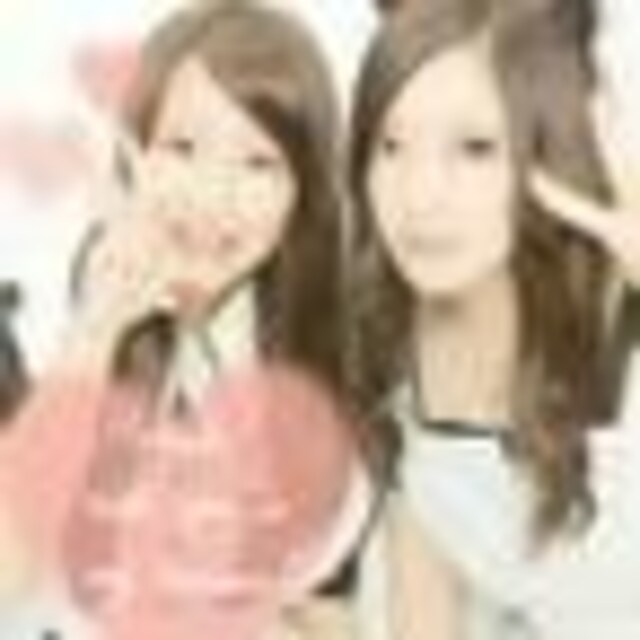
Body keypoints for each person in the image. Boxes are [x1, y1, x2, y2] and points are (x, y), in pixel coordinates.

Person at [0, 2, 372, 638]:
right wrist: (95, 332)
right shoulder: (97, 312)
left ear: (302, 191)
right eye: (183, 148)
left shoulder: (333, 346)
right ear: (134, 155)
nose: (213, 196)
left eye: (259, 163)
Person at [347, 1, 640, 638]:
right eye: (390, 146)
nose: (420, 196)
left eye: (475, 149)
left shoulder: (622, 327)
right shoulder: (392, 358)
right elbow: (425, 620)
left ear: (549, 150)